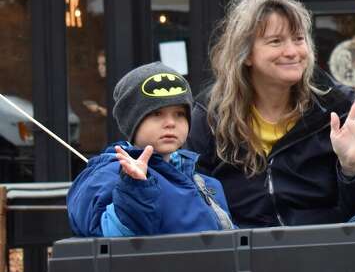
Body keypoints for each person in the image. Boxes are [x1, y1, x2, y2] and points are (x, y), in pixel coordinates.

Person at [188, 0, 355, 227]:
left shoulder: (336, 107)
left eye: (298, 39)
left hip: (323, 245)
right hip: (244, 251)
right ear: (245, 55)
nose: (292, 51)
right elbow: (191, 203)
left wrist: (352, 168)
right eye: (275, 41)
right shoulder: (210, 116)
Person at [68, 63, 233, 237]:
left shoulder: (206, 183)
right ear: (132, 121)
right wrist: (135, 188)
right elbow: (109, 241)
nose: (171, 123)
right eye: (157, 113)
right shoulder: (107, 175)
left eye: (179, 114)